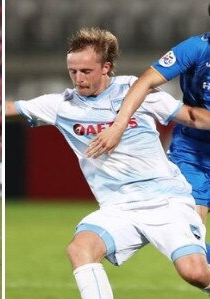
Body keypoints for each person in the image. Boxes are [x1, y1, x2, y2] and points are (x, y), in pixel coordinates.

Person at [5, 27, 210, 299]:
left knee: (195, 273)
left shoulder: (135, 91)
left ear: (106, 68)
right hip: (119, 210)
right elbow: (8, 108)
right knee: (80, 248)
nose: (78, 78)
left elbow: (194, 117)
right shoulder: (60, 105)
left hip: (167, 203)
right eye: (72, 71)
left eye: (86, 70)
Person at [86, 6, 210, 263]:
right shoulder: (195, 49)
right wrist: (119, 126)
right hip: (194, 153)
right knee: (190, 243)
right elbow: (145, 82)